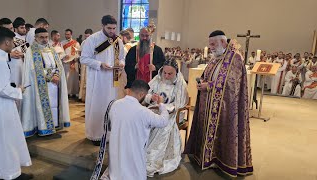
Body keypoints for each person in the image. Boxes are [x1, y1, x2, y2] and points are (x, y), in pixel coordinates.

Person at [184, 30, 253, 177]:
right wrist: (202, 82)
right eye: (209, 45)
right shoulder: (216, 57)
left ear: (223, 42)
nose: (211, 47)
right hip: (208, 103)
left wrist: (209, 86)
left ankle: (219, 161)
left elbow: (232, 84)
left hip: (225, 107)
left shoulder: (235, 58)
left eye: (213, 44)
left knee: (223, 134)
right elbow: (207, 75)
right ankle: (206, 157)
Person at [90, 80, 169, 180]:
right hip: (133, 154)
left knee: (117, 169)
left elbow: (109, 126)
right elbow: (163, 121)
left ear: (129, 91)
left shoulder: (114, 104)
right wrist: (161, 105)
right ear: (141, 94)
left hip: (116, 149)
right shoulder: (144, 112)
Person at [80, 15, 125, 145]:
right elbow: (84, 59)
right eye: (109, 28)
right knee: (98, 106)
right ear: (103, 26)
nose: (112, 31)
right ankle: (96, 134)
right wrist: (100, 64)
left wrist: (121, 63)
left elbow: (122, 57)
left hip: (113, 80)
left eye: (114, 28)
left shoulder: (118, 41)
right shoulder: (93, 39)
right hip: (98, 79)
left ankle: (110, 135)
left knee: (111, 106)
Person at [0, 26, 32, 180]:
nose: (13, 44)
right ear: (6, 42)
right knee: (7, 138)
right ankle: (11, 173)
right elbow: (0, 89)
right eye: (12, 41)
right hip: (2, 106)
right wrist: (19, 90)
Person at [21, 28, 70, 137]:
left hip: (55, 84)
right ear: (35, 38)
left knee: (55, 105)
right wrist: (50, 77)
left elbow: (58, 65)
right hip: (41, 85)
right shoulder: (31, 51)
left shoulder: (51, 49)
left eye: (46, 37)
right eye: (41, 37)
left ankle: (54, 126)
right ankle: (44, 128)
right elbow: (33, 70)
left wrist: (57, 75)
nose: (44, 39)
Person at [144, 59, 188, 177]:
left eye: (170, 74)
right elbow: (145, 94)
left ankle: (152, 158)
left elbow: (180, 104)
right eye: (165, 73)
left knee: (162, 127)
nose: (167, 76)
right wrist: (151, 98)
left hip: (170, 113)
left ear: (176, 73)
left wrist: (164, 108)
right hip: (154, 109)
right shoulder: (156, 79)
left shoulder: (180, 83)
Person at [8, 17, 29, 89]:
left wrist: (23, 55)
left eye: (24, 28)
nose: (24, 30)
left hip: (23, 69)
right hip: (13, 69)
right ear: (15, 29)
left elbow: (29, 56)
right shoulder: (9, 39)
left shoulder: (25, 41)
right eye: (22, 28)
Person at [62, 28, 81, 98]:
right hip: (66, 63)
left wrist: (74, 57)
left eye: (68, 34)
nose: (67, 35)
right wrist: (64, 56)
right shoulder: (62, 43)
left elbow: (78, 52)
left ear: (71, 34)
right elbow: (61, 52)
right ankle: (66, 92)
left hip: (74, 62)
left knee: (74, 78)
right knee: (66, 78)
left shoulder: (76, 43)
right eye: (66, 34)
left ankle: (74, 92)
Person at [78, 28, 93, 102]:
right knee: (83, 80)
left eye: (88, 36)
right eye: (86, 36)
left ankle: (90, 97)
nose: (87, 38)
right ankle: (83, 97)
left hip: (91, 64)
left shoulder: (94, 42)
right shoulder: (83, 42)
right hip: (84, 65)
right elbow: (80, 52)